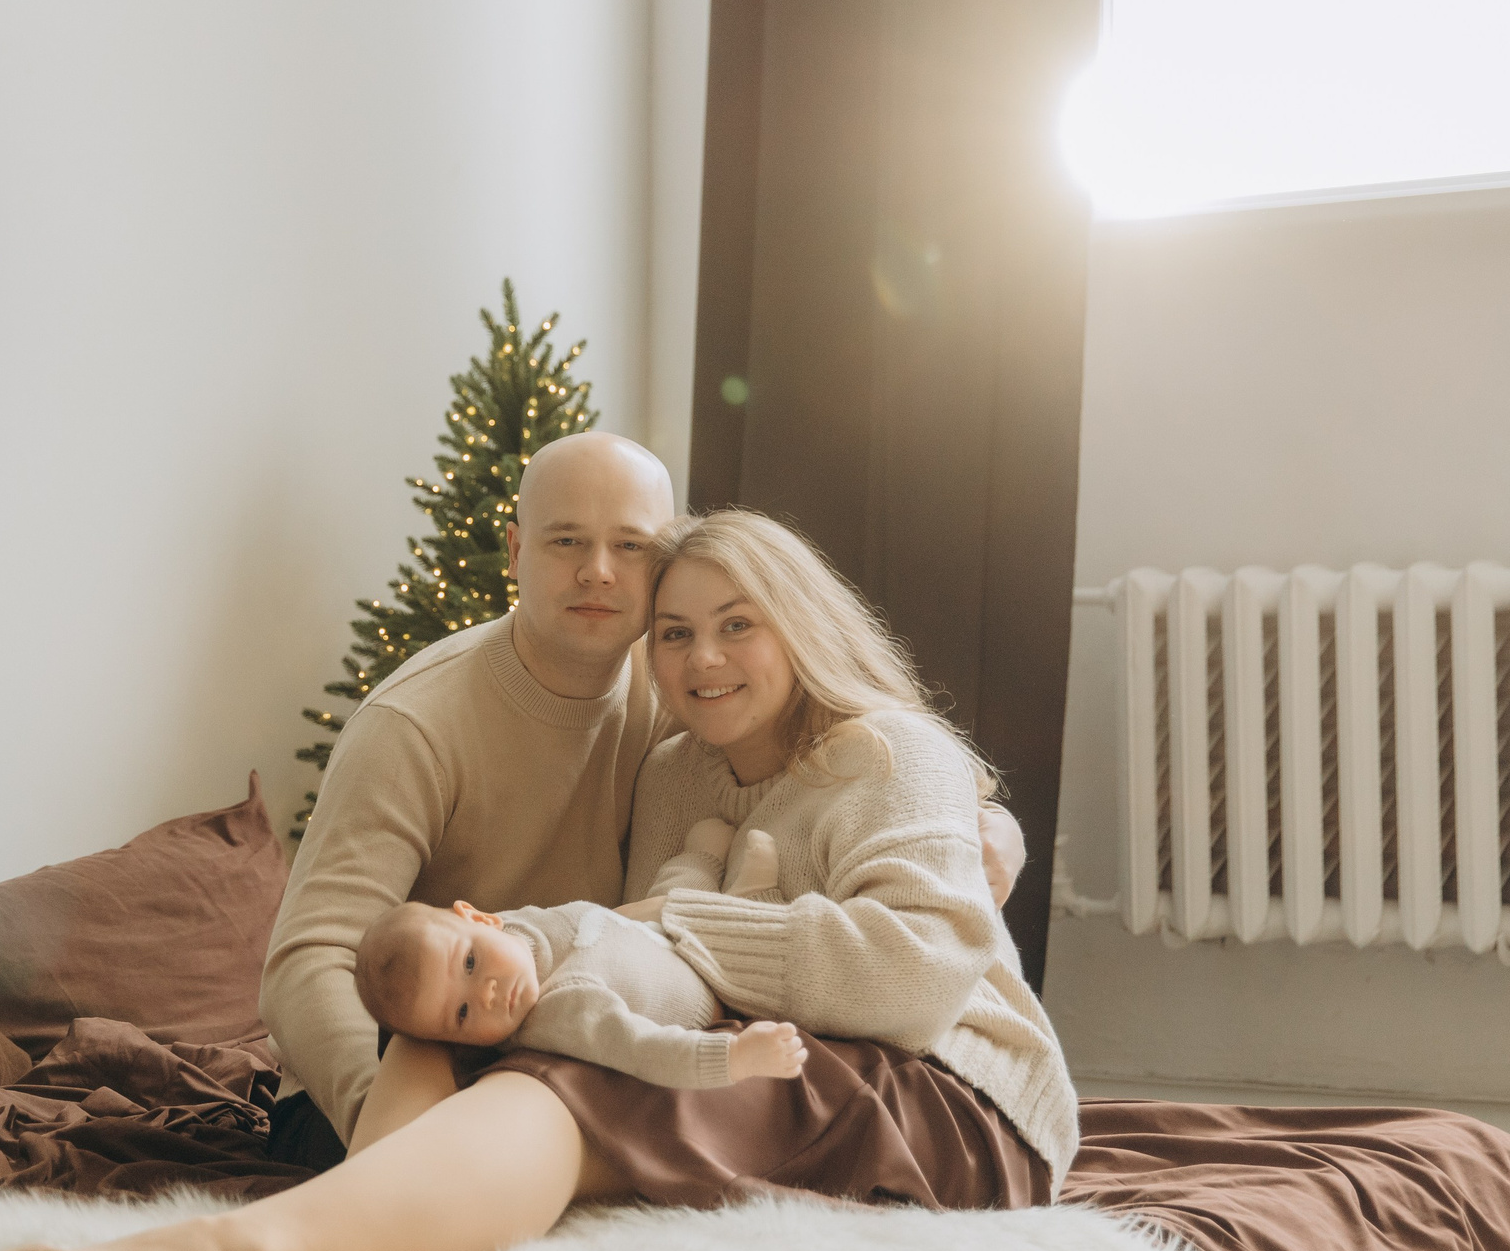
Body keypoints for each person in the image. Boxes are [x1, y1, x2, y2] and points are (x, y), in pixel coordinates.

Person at [0, 508, 1069, 1251]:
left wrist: (686, 928)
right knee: (449, 1009)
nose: (703, 660)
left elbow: (907, 983)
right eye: (674, 634)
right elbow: (648, 957)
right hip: (774, 1040)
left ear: (801, 625)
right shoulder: (674, 769)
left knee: (578, 1082)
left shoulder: (890, 754)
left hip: (948, 1092)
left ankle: (252, 1248)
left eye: (738, 625)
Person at [256, 431, 1023, 1167]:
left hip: (585, 1029)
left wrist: (987, 824)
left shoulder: (683, 686)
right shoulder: (415, 726)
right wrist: (380, 1120)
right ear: (517, 552)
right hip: (421, 1048)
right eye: (566, 541)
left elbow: (845, 751)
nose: (598, 571)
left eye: (629, 546)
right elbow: (312, 956)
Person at [353, 896, 810, 1090]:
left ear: (481, 918)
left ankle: (707, 861)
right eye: (462, 1014)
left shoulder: (518, 926)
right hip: (717, 1001)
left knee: (682, 892)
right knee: (771, 931)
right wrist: (735, 1057)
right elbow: (644, 1051)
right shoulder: (563, 1013)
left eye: (470, 963)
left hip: (670, 937)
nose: (488, 994)